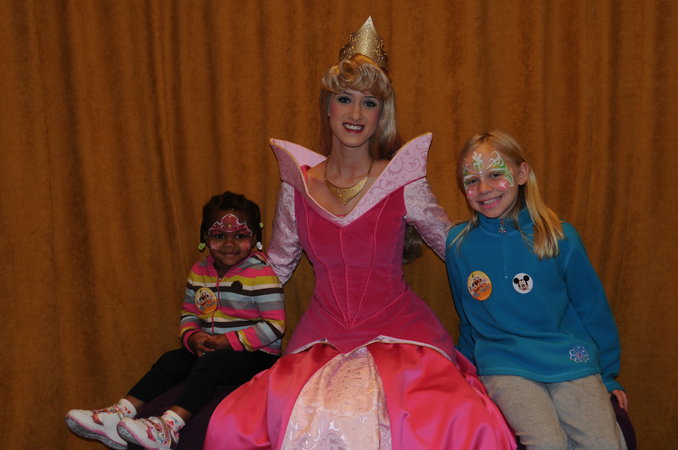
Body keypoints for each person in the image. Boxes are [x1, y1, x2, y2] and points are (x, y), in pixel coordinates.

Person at [204, 18, 516, 449]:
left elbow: (455, 248)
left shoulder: (401, 181)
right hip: (321, 340)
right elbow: (276, 266)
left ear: (381, 113)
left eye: (369, 103)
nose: (355, 114)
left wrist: (515, 252)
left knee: (455, 419)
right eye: (344, 99)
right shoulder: (298, 185)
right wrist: (220, 293)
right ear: (327, 106)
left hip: (401, 335)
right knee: (232, 424)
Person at [445, 131, 628, 449]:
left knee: (606, 443)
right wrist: (465, 371)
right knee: (547, 443)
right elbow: (468, 317)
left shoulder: (558, 236)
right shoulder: (459, 245)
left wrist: (608, 373)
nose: (484, 189)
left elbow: (592, 308)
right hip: (505, 364)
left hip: (570, 359)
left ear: (521, 174)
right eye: (472, 180)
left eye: (495, 175)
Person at [65, 191, 285, 450]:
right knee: (171, 360)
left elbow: (275, 326)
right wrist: (193, 337)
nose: (229, 244)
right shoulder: (198, 272)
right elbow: (189, 314)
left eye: (240, 236)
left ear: (255, 238)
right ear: (204, 237)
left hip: (256, 356)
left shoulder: (261, 274)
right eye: (218, 236)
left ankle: (169, 426)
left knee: (213, 364)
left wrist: (229, 341)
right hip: (213, 350)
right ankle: (120, 413)